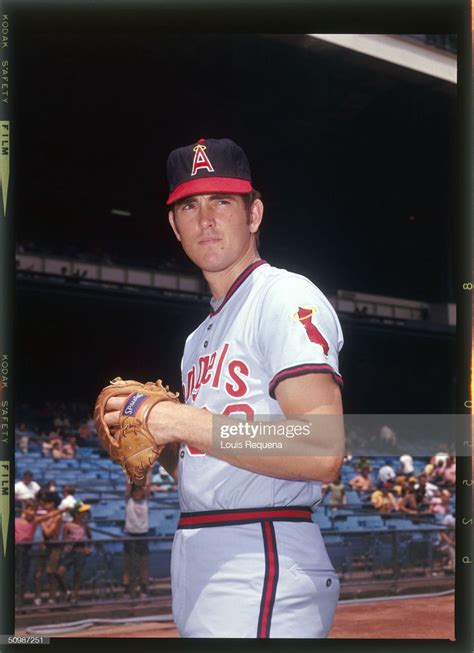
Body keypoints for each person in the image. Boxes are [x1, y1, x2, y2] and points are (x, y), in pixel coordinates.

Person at [103, 138, 345, 638]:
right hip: (201, 551)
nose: (206, 219)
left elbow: (321, 447)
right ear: (175, 226)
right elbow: (215, 456)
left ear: (254, 214)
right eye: (189, 206)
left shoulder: (283, 295)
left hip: (262, 549)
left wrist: (175, 419)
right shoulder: (197, 338)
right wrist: (161, 446)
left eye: (222, 202)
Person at [33, 491, 67, 605]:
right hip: (43, 546)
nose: (44, 504)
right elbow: (35, 520)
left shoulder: (58, 516)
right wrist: (43, 520)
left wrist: (42, 522)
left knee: (50, 572)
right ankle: (37, 597)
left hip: (54, 547)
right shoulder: (45, 514)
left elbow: (49, 532)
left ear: (52, 503)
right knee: (38, 573)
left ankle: (51, 598)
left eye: (47, 502)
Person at [58, 501, 93, 604]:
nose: (85, 514)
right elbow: (63, 539)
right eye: (83, 512)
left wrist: (88, 548)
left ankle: (75, 596)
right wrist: (67, 545)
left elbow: (90, 539)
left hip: (80, 552)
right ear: (77, 514)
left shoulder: (85, 526)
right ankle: (67, 591)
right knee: (59, 573)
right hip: (69, 552)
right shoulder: (67, 526)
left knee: (77, 574)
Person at [123, 478, 151, 599]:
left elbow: (148, 484)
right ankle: (127, 588)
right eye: (136, 491)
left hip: (143, 535)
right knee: (128, 564)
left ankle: (143, 587)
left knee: (143, 564)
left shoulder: (145, 501)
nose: (138, 493)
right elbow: (128, 486)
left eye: (140, 490)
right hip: (130, 535)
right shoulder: (129, 501)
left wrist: (149, 469)